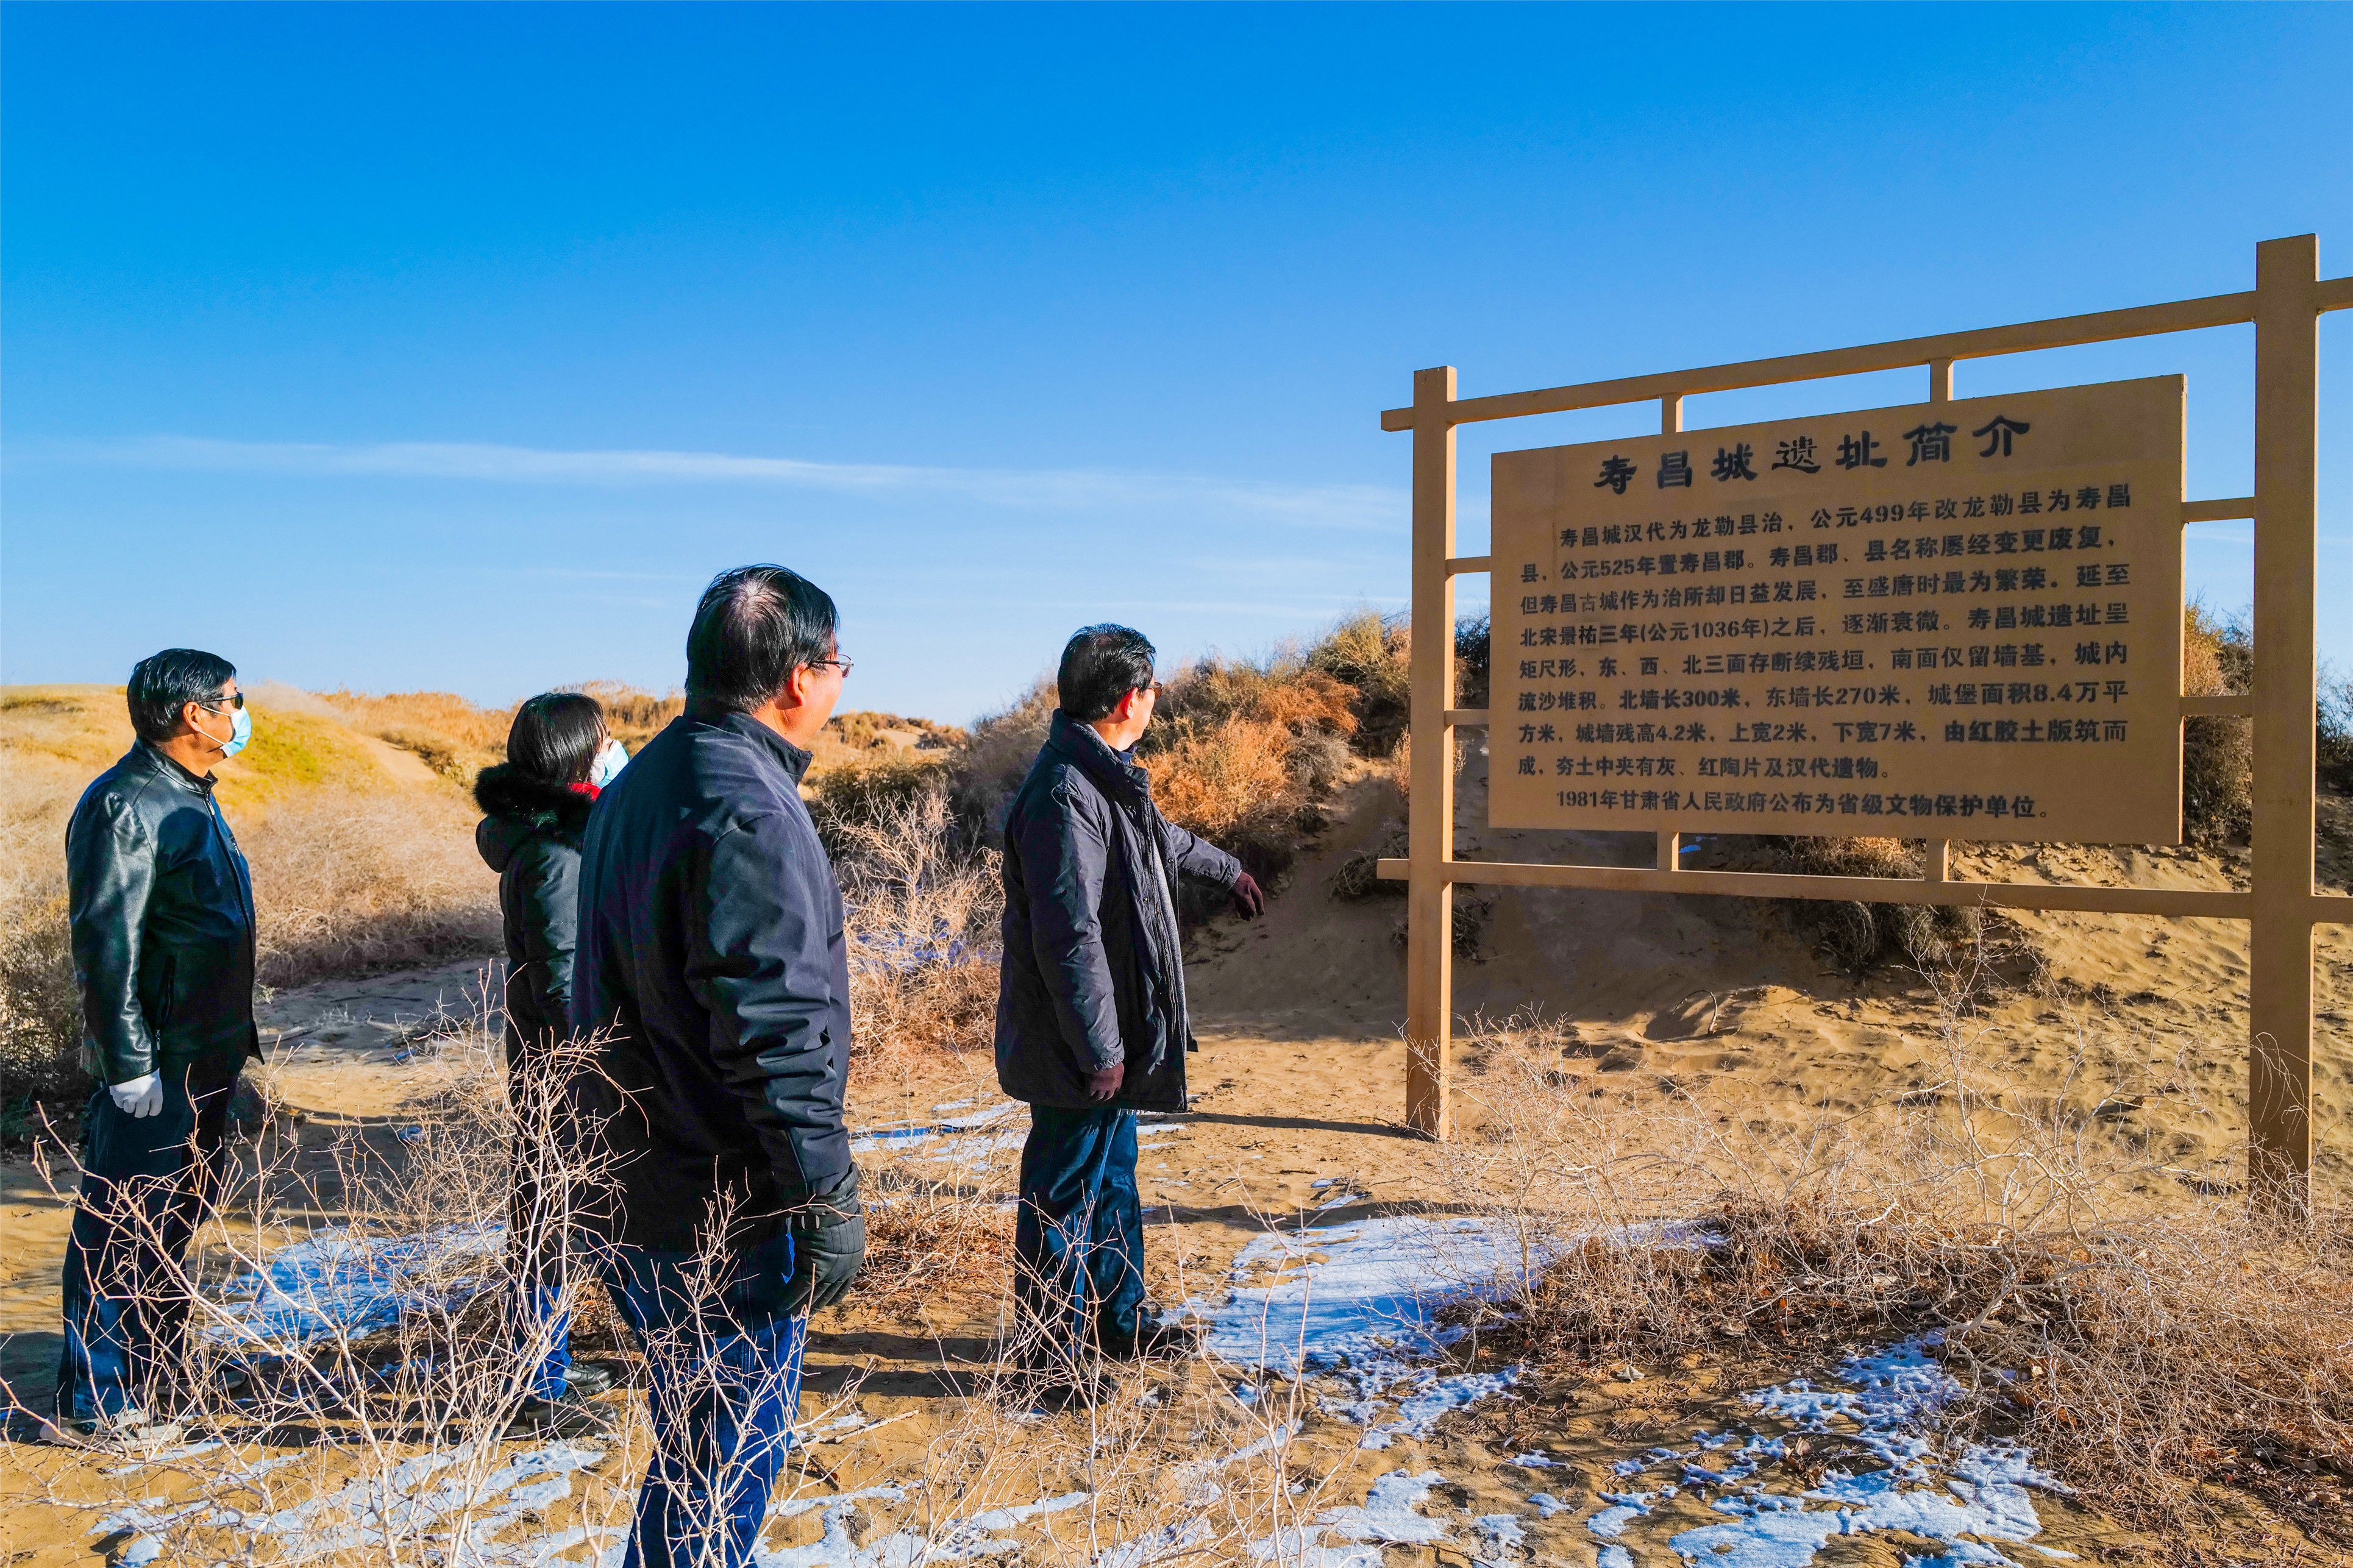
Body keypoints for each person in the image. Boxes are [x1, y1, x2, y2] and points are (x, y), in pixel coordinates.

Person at [571, 565, 867, 1568]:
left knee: (695, 1453)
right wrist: (824, 1194)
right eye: (838, 665)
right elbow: (776, 1029)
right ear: (795, 676)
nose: (841, 684)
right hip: (720, 1206)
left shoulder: (643, 784)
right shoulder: (748, 809)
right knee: (719, 1470)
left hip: (639, 1182)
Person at [995, 625, 1264, 1400]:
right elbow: (1068, 934)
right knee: (1062, 1196)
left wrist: (1229, 869)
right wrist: (1101, 1047)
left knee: (1111, 1178)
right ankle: (1045, 1363)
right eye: (1150, 692)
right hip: (1076, 1040)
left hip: (1103, 1034)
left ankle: (1121, 1318)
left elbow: (1162, 839)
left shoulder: (1100, 773)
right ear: (1126, 699)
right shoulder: (1062, 795)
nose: (1154, 703)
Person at [50, 649, 262, 1447]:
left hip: (208, 1054)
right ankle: (103, 1403)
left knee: (171, 1222)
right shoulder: (123, 804)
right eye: (234, 700)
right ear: (195, 715)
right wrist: (129, 1064)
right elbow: (108, 945)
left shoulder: (192, 796)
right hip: (159, 1061)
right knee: (121, 1226)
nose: (242, 714)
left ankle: (160, 1373)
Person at [472, 692, 631, 1435]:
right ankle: (535, 1386)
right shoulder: (556, 854)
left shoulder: (559, 841)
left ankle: (547, 1361)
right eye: (604, 740)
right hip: (565, 1069)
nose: (615, 747)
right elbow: (565, 979)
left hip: (552, 1062)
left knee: (562, 1214)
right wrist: (608, 1065)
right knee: (549, 1221)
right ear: (578, 755)